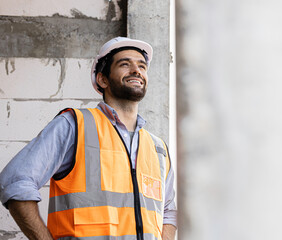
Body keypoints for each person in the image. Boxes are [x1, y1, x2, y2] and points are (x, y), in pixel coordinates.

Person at [0, 37, 177, 240]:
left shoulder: (158, 148)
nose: (137, 70)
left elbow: (169, 211)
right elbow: (15, 182)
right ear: (102, 80)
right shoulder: (74, 125)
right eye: (125, 64)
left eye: (142, 66)